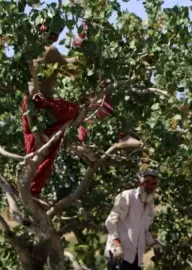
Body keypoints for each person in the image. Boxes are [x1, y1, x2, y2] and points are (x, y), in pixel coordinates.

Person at [22, 21, 113, 199]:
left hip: (28, 107)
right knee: (74, 109)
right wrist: (89, 52)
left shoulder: (28, 52)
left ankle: (32, 192)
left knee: (35, 148)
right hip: (44, 106)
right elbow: (71, 69)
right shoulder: (50, 51)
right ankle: (32, 191)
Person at [104, 169, 164, 270]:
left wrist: (154, 245)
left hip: (135, 258)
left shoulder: (149, 205)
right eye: (148, 182)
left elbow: (143, 232)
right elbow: (111, 222)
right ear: (140, 182)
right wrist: (116, 244)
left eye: (154, 184)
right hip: (120, 255)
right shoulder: (127, 197)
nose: (150, 186)